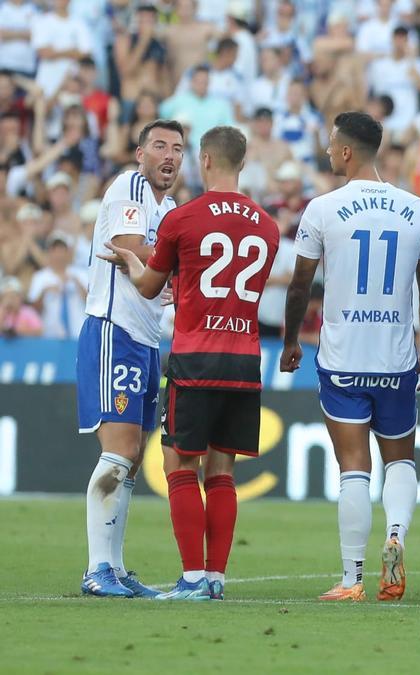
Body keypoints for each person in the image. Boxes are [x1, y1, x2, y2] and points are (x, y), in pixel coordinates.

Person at [99, 126, 280, 601]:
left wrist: (129, 261)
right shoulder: (267, 225)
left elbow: (148, 286)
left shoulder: (183, 218)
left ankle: (194, 578)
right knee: (222, 471)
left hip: (196, 356)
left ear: (205, 160)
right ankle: (216, 578)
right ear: (242, 163)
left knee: (178, 462)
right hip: (245, 359)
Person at [279, 111, 420, 603]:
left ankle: (352, 579)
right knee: (400, 460)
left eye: (332, 143)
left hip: (343, 358)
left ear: (347, 151)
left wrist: (291, 341)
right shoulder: (417, 209)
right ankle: (396, 534)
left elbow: (300, 285)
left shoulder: (322, 209)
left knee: (353, 466)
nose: (328, 150)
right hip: (396, 359)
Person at [76, 119, 182, 599]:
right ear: (140, 154)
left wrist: (158, 267)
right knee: (119, 453)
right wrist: (164, 264)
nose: (169, 156)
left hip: (146, 339)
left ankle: (115, 568)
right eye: (159, 146)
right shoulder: (131, 186)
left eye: (177, 148)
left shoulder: (170, 208)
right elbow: (131, 248)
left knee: (134, 458)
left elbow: (149, 266)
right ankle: (96, 568)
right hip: (112, 329)